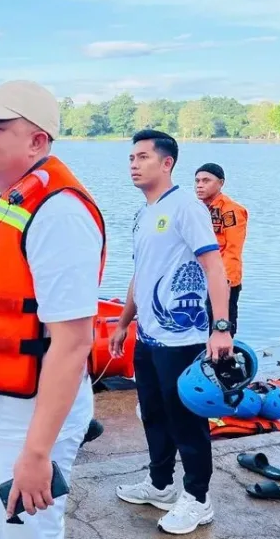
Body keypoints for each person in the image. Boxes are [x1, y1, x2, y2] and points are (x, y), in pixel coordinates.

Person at [0, 79, 106, 538]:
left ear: (36, 141)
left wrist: (36, 453)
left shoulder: (59, 214)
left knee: (26, 534)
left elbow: (72, 344)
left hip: (21, 425)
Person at [110, 130, 234, 535]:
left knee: (186, 421)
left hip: (182, 341)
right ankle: (160, 484)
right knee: (153, 414)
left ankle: (199, 498)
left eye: (143, 156)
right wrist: (125, 322)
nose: (133, 163)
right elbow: (140, 274)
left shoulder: (186, 207)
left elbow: (216, 269)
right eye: (131, 157)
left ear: (167, 163)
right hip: (148, 337)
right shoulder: (144, 212)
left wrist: (220, 328)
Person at [193, 163, 247, 336]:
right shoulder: (197, 209)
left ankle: (225, 360)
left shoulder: (230, 211)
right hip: (201, 279)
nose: (200, 185)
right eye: (197, 181)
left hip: (224, 278)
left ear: (220, 183)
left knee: (222, 327)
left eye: (206, 180)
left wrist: (225, 283)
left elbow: (233, 249)